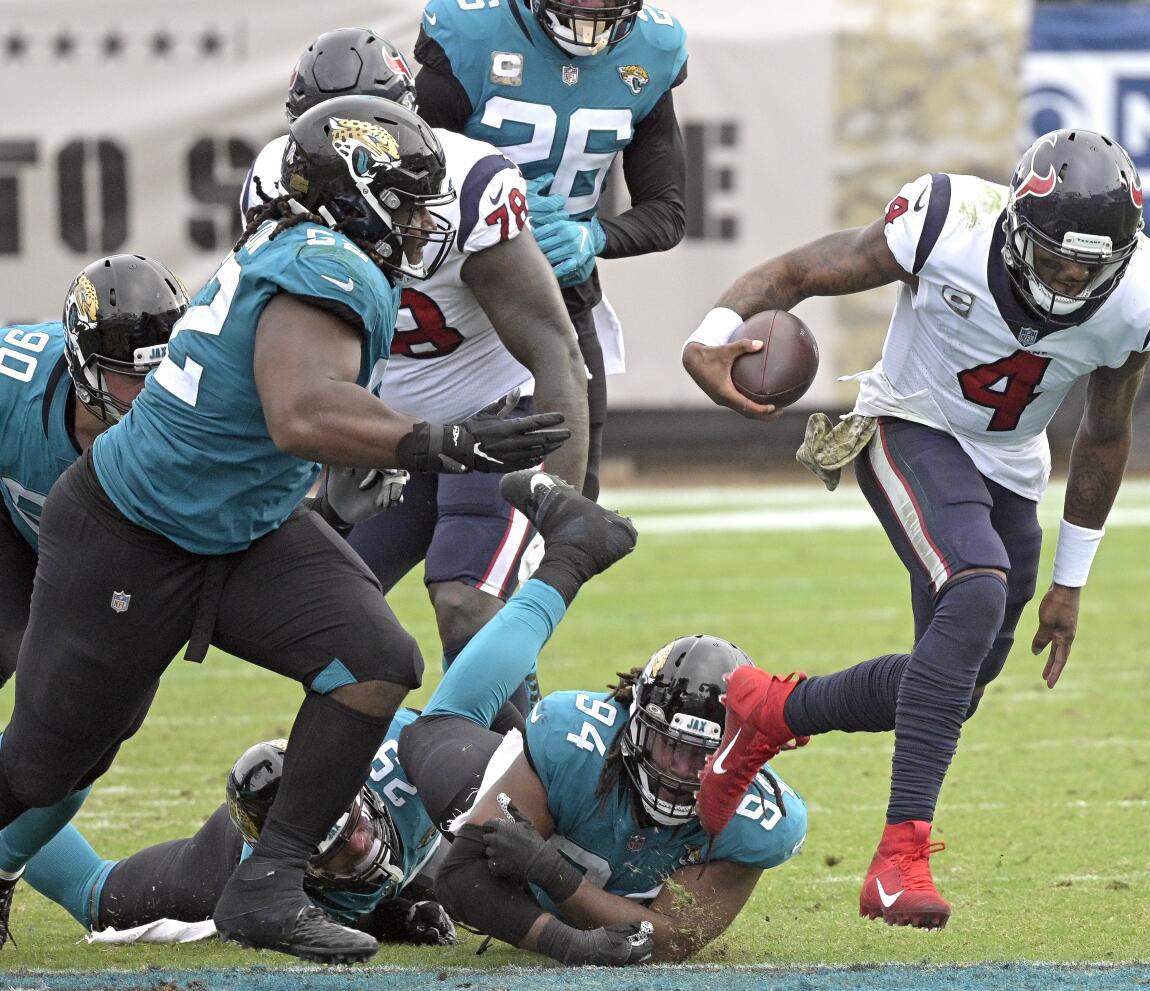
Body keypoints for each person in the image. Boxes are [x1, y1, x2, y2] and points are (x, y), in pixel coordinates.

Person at [0, 94, 570, 963]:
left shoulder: (314, 251)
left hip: (241, 527)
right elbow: (300, 411)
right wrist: (438, 441)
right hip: (133, 528)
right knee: (47, 767)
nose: (425, 221)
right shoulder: (325, 262)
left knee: (376, 660)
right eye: (410, 199)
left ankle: (268, 883)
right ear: (361, 195)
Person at [683, 130, 1150, 929]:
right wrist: (711, 335)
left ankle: (770, 710)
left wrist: (1070, 579)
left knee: (952, 686)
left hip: (1012, 460)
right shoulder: (949, 220)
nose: (1068, 277)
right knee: (976, 588)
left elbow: (1104, 435)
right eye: (1055, 257)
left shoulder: (1147, 291)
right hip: (908, 421)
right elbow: (801, 271)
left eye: (1088, 266)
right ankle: (897, 858)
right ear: (1019, 226)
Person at [243, 28, 590, 686]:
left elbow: (555, 350)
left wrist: (554, 505)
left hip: (490, 416)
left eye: (368, 136)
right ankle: (341, 785)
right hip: (381, 427)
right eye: (326, 139)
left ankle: (512, 775)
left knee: (470, 607)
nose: (348, 164)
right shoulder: (275, 182)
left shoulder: (468, 184)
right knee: (324, 620)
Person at [397, 468, 808, 965]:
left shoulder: (757, 819)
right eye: (670, 744)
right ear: (633, 726)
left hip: (554, 857)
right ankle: (570, 557)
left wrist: (554, 873)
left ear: (738, 752)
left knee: (476, 712)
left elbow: (674, 939)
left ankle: (572, 552)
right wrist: (568, 942)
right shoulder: (577, 740)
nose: (681, 770)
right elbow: (463, 878)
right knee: (435, 729)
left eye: (704, 753)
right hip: (543, 783)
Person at [414, 0, 691, 501]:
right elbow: (408, 186)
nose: (593, 9)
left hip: (560, 294)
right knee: (399, 502)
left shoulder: (654, 48)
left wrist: (594, 237)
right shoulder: (471, 32)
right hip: (454, 297)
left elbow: (667, 212)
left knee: (567, 508)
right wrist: (493, 213)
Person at [0, 255, 187, 942]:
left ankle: (5, 867)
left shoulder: (197, 409)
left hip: (100, 561)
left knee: (93, 718)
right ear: (80, 363)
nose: (145, 394)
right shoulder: (10, 381)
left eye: (158, 374)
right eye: (127, 376)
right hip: (9, 530)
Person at [8, 714, 456, 948]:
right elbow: (320, 924)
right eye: (336, 850)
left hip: (391, 831)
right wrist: (392, 917)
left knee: (463, 880)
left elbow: (478, 723)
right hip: (233, 866)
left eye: (352, 824)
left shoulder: (397, 746)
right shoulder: (264, 883)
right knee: (97, 898)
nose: (361, 845)